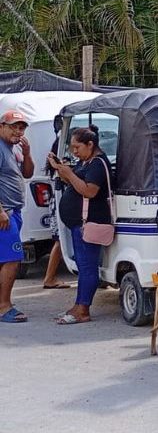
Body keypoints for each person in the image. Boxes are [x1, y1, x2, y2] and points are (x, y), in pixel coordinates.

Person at [49, 126, 113, 325]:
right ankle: (78, 305)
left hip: (89, 223)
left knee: (87, 267)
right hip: (80, 223)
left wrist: (69, 173)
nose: (74, 151)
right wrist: (61, 169)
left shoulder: (97, 164)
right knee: (83, 266)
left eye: (77, 147)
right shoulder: (87, 162)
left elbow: (89, 191)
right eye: (72, 148)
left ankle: (83, 309)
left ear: (90, 145)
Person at [0, 110, 34, 323]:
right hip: (6, 213)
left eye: (21, 127)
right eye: (13, 126)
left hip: (14, 212)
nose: (18, 131)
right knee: (13, 259)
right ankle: (4, 306)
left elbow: (28, 173)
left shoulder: (14, 149)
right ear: (1, 126)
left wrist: (28, 153)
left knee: (5, 259)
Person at [42, 136, 70, 290]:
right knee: (60, 241)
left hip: (58, 203)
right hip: (61, 204)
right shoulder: (60, 164)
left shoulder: (54, 164)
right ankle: (49, 277)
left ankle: (50, 277)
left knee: (60, 241)